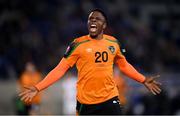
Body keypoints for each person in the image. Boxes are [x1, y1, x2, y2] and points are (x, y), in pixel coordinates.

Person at [19, 9, 161, 115]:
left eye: (97, 19)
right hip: (86, 102)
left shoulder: (113, 43)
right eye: (90, 19)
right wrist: (38, 87)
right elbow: (60, 69)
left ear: (104, 25)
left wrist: (143, 79)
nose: (92, 21)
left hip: (109, 97)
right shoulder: (77, 44)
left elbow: (124, 65)